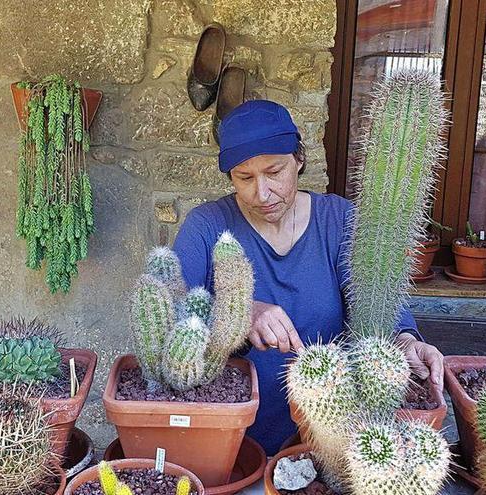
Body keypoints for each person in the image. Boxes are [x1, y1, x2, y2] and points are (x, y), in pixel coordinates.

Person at [172, 99, 445, 455]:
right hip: (229, 438)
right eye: (245, 178)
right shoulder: (206, 226)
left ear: (299, 160)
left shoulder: (338, 220)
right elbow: (172, 312)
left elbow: (375, 298)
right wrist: (239, 311)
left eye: (274, 172)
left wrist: (406, 339)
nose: (262, 192)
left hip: (334, 437)